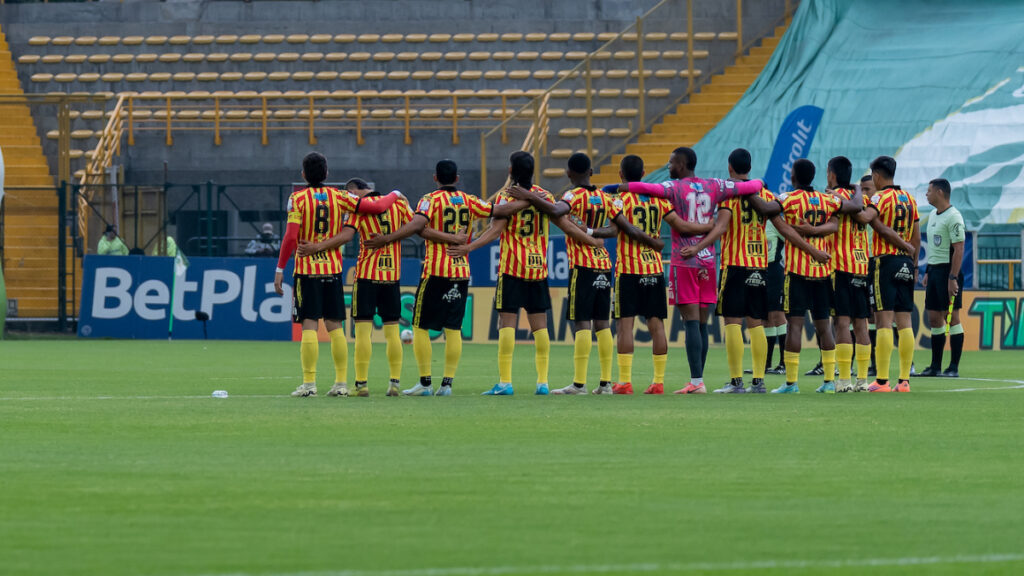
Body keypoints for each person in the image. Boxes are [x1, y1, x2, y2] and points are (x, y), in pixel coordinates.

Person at [610, 147, 765, 393]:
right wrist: (761, 182)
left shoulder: (672, 188)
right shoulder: (715, 185)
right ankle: (698, 380)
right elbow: (750, 186)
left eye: (671, 162)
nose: (668, 166)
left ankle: (696, 382)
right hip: (708, 260)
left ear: (681, 165)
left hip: (685, 259)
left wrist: (617, 187)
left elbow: (644, 187)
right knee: (702, 324)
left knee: (691, 323)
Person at [365, 160, 520, 396]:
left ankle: (425, 383)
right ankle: (447, 385)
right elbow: (501, 211)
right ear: (457, 178)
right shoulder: (469, 200)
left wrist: (386, 239)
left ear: (435, 178)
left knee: (420, 327)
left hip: (436, 271)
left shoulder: (430, 200)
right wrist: (530, 200)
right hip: (461, 272)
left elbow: (417, 225)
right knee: (453, 328)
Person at [453, 151, 591, 396]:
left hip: (512, 267)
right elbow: (566, 225)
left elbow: (495, 231)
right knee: (540, 327)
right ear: (533, 171)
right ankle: (543, 383)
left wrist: (469, 247)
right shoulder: (545, 196)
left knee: (506, 323)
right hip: (538, 269)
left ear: (510, 171)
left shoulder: (506, 197)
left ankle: (505, 382)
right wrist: (592, 239)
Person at [274, 151, 400, 398]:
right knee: (335, 327)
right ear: (327, 173)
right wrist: (395, 193)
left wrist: (280, 268)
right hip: (332, 270)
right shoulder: (340, 196)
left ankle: (309, 384)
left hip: (307, 270)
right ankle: (341, 383)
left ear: (303, 174)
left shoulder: (297, 199)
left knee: (309, 324)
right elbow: (377, 206)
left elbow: (291, 237)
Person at [297, 178, 414, 397]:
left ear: (355, 190)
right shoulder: (398, 205)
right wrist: (391, 237)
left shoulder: (358, 210)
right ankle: (394, 384)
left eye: (351, 194)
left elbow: (348, 234)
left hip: (366, 276)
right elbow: (416, 225)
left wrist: (317, 246)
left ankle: (361, 385)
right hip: (392, 275)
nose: (350, 198)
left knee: (362, 333)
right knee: (392, 332)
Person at [680, 149, 780, 393]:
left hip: (735, 264)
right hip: (759, 265)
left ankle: (736, 382)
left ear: (730, 168)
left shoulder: (729, 195)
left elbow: (722, 227)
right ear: (750, 167)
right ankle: (759, 381)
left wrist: (698, 247)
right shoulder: (766, 194)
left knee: (733, 321)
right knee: (756, 323)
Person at [603, 155, 694, 395]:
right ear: (643, 174)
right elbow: (679, 224)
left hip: (628, 270)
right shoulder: (659, 200)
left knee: (625, 326)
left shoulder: (620, 200)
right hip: (654, 269)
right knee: (657, 326)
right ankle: (658, 382)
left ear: (621, 175)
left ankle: (625, 382)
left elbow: (614, 230)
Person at [797, 157, 876, 392]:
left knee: (842, 323)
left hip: (840, 265)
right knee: (861, 324)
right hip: (862, 264)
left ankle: (844, 380)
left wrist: (810, 230)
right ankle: (862, 380)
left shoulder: (831, 198)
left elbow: (831, 225)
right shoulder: (863, 199)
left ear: (831, 174)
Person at [767, 158, 842, 394]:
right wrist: (817, 232)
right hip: (822, 272)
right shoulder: (827, 200)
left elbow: (769, 210)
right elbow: (837, 221)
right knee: (824, 328)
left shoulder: (787, 199)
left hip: (797, 273)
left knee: (794, 327)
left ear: (793, 177)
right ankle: (829, 382)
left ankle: (791, 383)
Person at [549, 153, 618, 395]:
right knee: (603, 324)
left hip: (582, 265)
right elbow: (615, 229)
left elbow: (557, 211)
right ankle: (606, 383)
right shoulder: (605, 197)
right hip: (604, 264)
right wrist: (595, 232)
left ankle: (579, 384)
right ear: (591, 172)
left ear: (569, 173)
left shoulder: (572, 196)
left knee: (582, 322)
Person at [863, 156, 920, 393]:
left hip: (884, 262)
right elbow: (916, 236)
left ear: (876, 175)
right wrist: (913, 265)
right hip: (906, 262)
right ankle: (904, 381)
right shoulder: (909, 199)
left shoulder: (879, 198)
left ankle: (882, 381)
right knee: (905, 322)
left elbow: (866, 218)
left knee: (884, 322)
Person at [920, 178, 965, 377]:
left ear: (939, 192)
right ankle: (935, 366)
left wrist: (952, 277)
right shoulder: (932, 214)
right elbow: (934, 247)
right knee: (934, 318)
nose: (926, 194)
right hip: (934, 271)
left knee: (952, 317)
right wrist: (928, 271)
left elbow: (959, 248)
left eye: (929, 191)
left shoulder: (954, 216)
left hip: (948, 271)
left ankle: (953, 367)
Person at [859, 174, 879, 376]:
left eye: (867, 189)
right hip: (860, 263)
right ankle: (871, 362)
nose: (864, 193)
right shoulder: (860, 208)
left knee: (883, 315)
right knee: (866, 315)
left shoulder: (879, 208)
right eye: (862, 189)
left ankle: (909, 363)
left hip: (876, 261)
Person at [764, 218, 787, 375]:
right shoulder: (757, 222)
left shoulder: (775, 222)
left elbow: (792, 237)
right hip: (760, 269)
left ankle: (784, 363)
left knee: (778, 315)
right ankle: (766, 364)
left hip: (775, 270)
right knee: (766, 318)